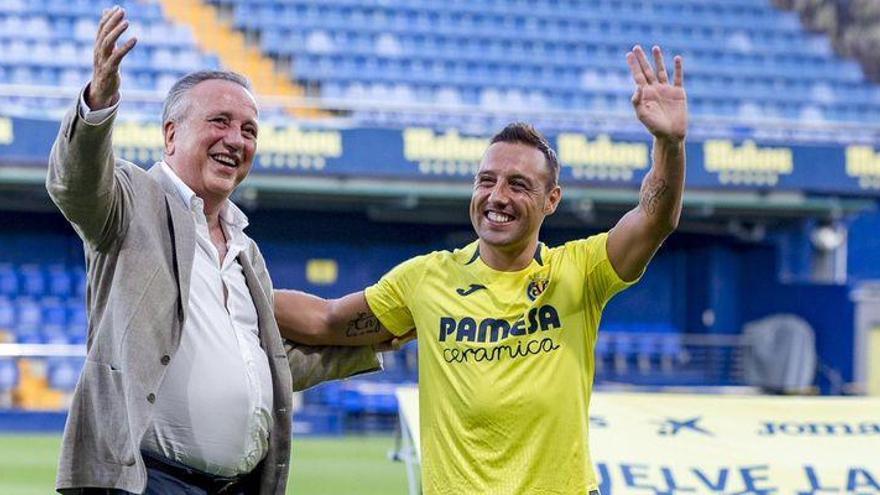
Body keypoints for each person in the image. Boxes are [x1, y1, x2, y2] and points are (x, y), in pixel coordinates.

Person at [274, 45, 687, 494]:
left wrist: (669, 143)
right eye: (486, 180)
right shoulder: (425, 279)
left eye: (518, 185)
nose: (497, 196)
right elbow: (327, 320)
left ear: (552, 200)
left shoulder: (580, 271)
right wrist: (226, 283)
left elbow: (654, 219)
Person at [46, 7, 381, 494]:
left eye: (249, 130)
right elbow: (74, 186)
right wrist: (99, 101)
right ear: (171, 134)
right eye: (220, 121)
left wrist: (377, 336)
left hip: (237, 485)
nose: (236, 140)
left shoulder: (245, 248)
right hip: (146, 481)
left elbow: (266, 367)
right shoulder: (133, 201)